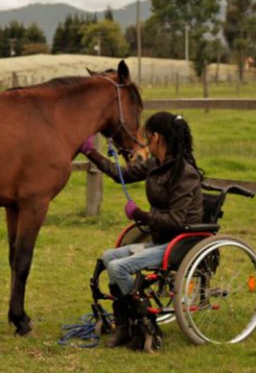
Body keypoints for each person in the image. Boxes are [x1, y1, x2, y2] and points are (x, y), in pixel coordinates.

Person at [80, 111, 204, 350]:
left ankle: (146, 323)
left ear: (156, 137)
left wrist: (141, 215)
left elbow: (177, 220)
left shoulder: (184, 172)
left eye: (147, 135)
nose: (144, 139)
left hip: (180, 243)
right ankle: (125, 326)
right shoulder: (155, 164)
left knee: (119, 267)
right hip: (161, 239)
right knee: (108, 257)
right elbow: (122, 175)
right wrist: (90, 152)